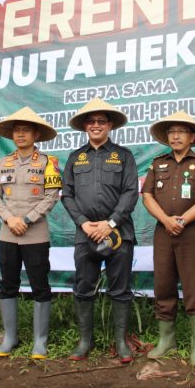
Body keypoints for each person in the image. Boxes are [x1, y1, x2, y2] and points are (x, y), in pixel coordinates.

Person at [61, 98, 139, 364]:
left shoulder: (124, 155)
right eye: (91, 121)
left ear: (110, 125)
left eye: (101, 121)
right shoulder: (75, 157)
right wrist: (83, 223)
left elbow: (131, 192)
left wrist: (111, 223)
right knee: (83, 288)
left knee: (120, 288)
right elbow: (67, 195)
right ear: (85, 126)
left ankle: (121, 342)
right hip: (85, 234)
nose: (96, 125)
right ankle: (85, 341)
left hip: (119, 234)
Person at [142, 111, 195, 366]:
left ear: (192, 137)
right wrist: (166, 220)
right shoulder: (157, 163)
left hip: (192, 233)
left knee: (194, 285)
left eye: (181, 131)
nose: (175, 136)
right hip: (164, 232)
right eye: (171, 132)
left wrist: (182, 220)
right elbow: (147, 195)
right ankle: (167, 339)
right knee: (163, 284)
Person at [0, 107, 62, 359]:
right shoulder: (2, 162)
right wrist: (10, 219)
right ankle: (10, 337)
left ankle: (39, 341)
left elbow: (52, 197)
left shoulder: (48, 164)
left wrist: (28, 219)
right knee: (7, 284)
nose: (20, 134)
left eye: (25, 130)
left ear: (36, 134)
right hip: (8, 234)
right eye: (16, 130)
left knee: (39, 285)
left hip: (36, 235)